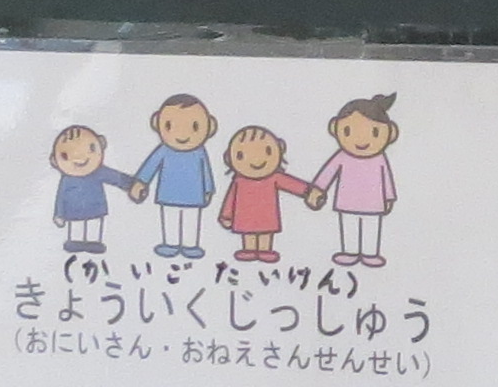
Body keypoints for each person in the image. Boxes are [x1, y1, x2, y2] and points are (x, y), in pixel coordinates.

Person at [312, 94, 402, 268]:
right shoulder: (342, 156)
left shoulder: (379, 159)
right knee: (349, 225)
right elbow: (328, 173)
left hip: (374, 202)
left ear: (390, 133)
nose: (361, 140)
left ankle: (370, 253)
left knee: (371, 226)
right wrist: (318, 189)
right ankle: (350, 251)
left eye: (374, 132)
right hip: (347, 201)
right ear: (335, 128)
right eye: (348, 131)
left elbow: (386, 178)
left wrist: (389, 197)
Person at [128, 94, 215, 261]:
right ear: (157, 123)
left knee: (191, 219)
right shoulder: (164, 150)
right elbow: (150, 167)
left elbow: (206, 172)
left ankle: (190, 245)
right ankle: (171, 243)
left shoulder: (200, 152)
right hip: (168, 194)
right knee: (170, 218)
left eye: (194, 126)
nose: (182, 134)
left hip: (193, 195)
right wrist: (140, 183)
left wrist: (208, 189)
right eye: (169, 126)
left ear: (209, 127)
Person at [216, 123, 305, 263]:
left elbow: (291, 184)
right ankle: (249, 249)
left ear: (279, 149)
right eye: (241, 155)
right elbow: (230, 199)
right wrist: (226, 215)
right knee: (248, 233)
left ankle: (265, 250)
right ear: (229, 158)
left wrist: (307, 191)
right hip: (245, 215)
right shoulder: (239, 181)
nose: (256, 160)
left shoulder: (274, 178)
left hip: (266, 214)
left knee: (265, 232)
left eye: (267, 151)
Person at [46, 123, 130, 260]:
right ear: (55, 160)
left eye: (90, 148)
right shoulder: (67, 179)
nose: (79, 157)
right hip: (73, 210)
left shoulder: (97, 171)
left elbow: (115, 177)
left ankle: (94, 242)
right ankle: (74, 242)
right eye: (66, 155)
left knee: (93, 226)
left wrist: (130, 183)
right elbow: (60, 198)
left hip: (94, 208)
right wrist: (59, 214)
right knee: (76, 227)